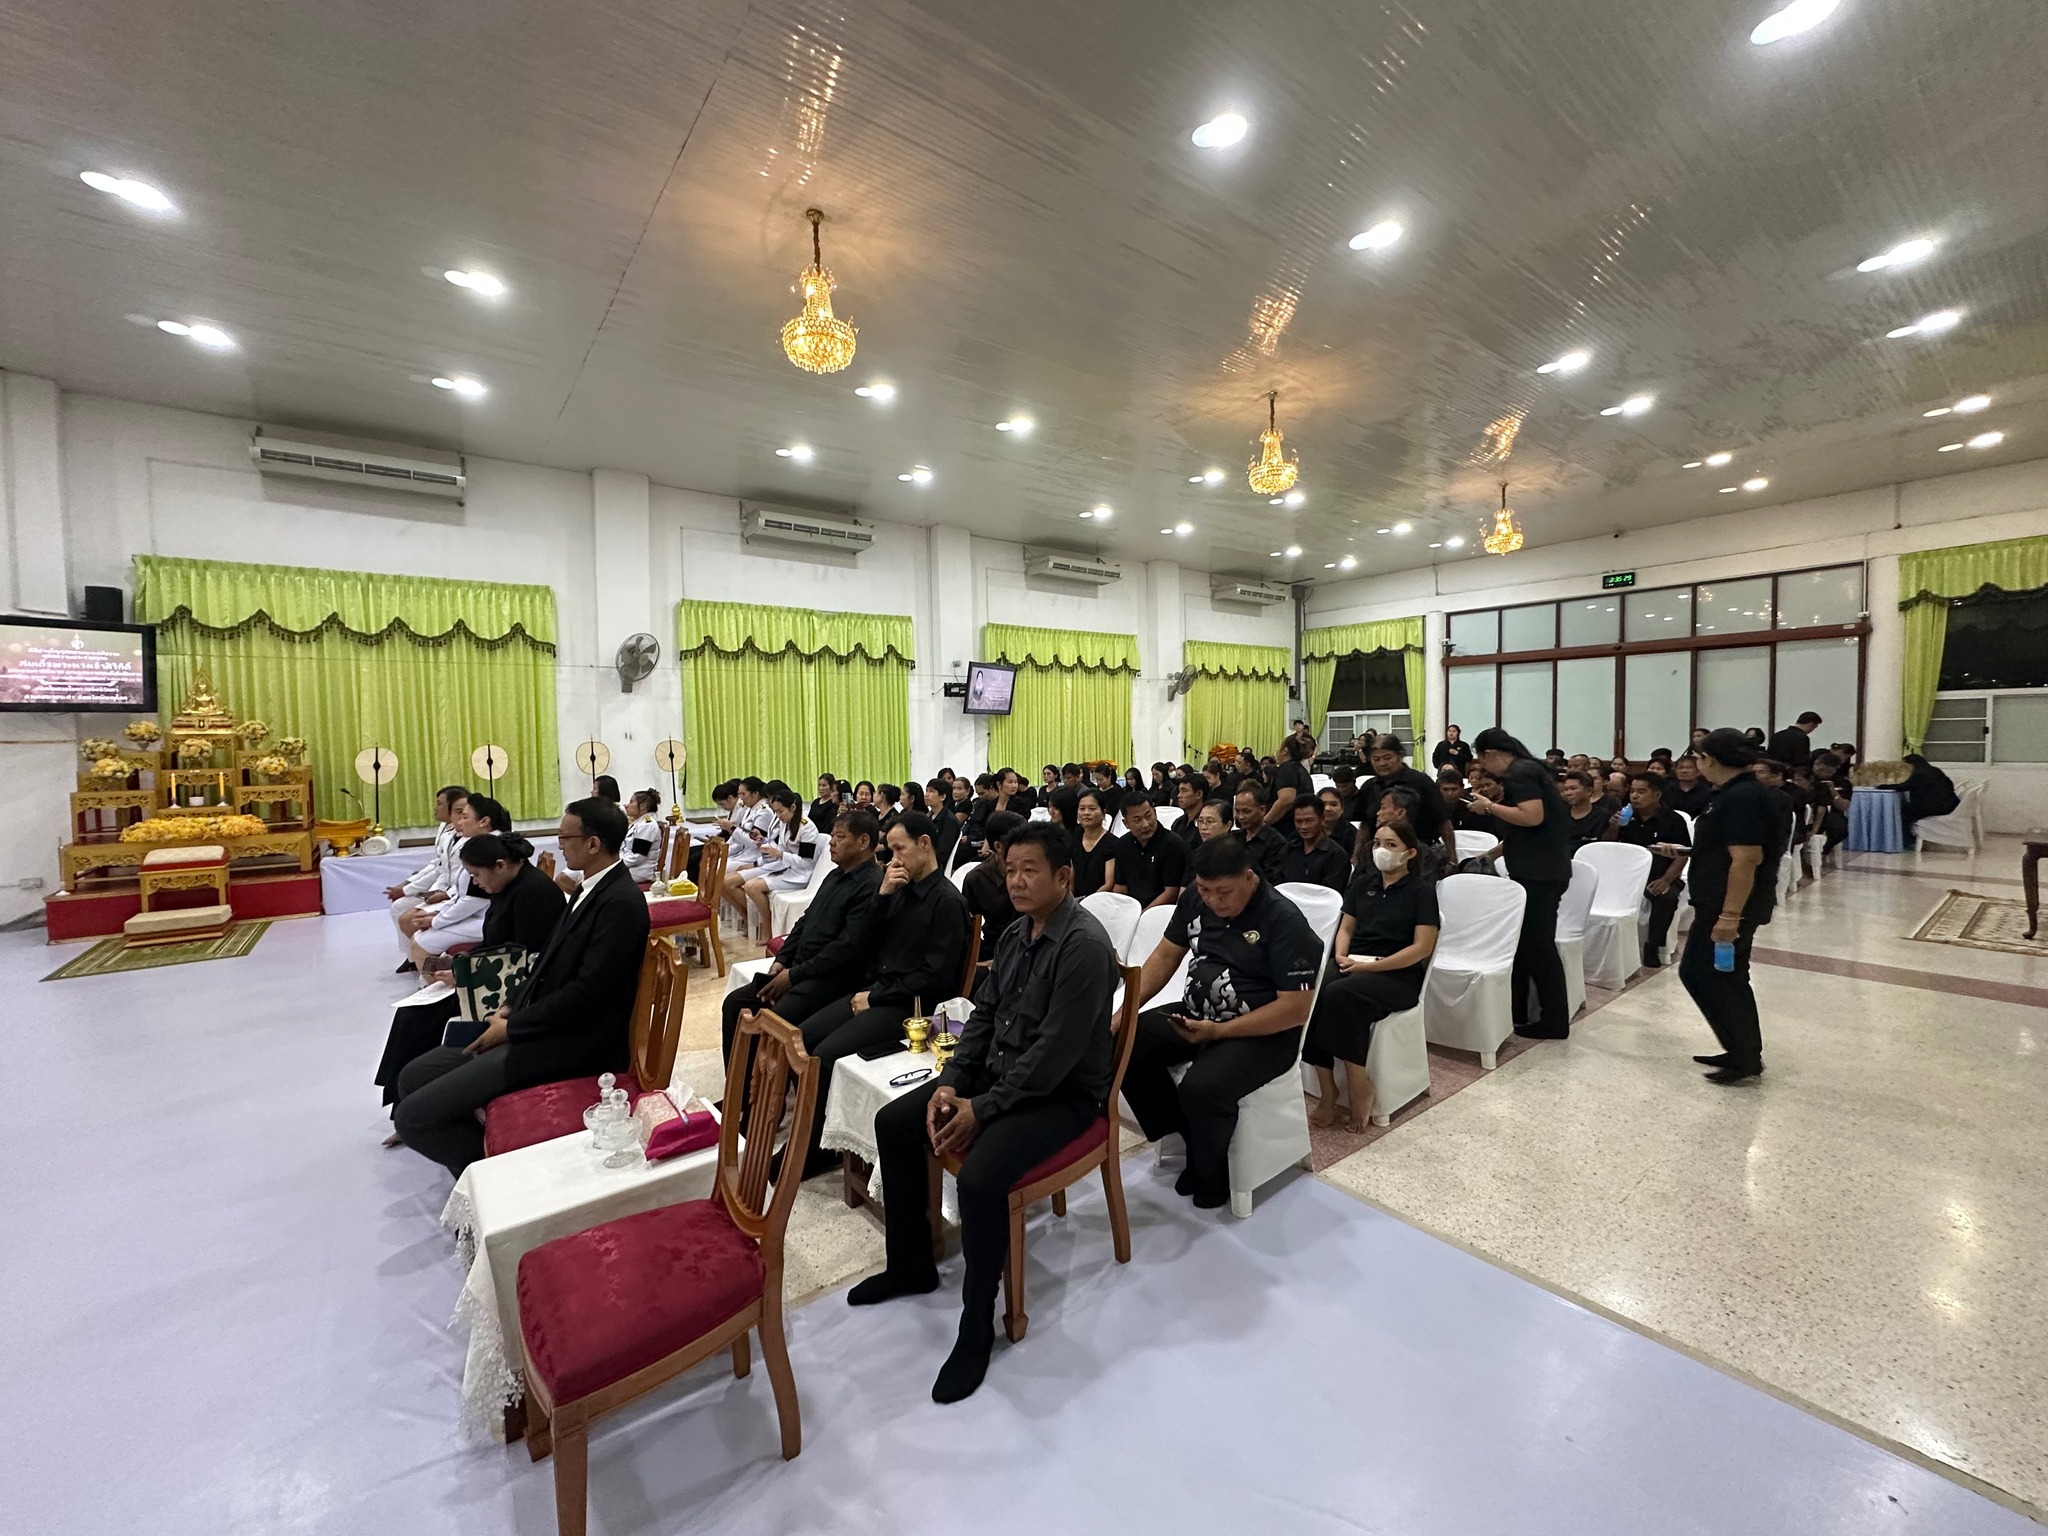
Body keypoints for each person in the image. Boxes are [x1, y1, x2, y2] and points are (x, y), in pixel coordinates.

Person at [847, 821, 1118, 1404]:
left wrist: (983, 1108)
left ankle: (977, 1328)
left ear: (1063, 877)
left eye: (1029, 871)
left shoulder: (1085, 948)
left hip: (1063, 1097)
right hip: (1002, 1076)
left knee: (980, 1178)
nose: (1015, 882)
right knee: (896, 1122)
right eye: (1009, 870)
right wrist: (950, 1084)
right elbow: (983, 1017)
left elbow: (1054, 1056)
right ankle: (911, 1265)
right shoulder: (1018, 932)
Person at [391, 798, 650, 1176]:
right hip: (538, 1024)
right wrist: (510, 1007)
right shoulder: (588, 889)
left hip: (571, 1042)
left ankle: (491, 1179)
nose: (560, 846)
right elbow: (545, 963)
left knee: (414, 1118)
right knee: (412, 1076)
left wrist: (512, 1028)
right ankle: (484, 1155)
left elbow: (589, 993)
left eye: (565, 838)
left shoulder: (620, 903)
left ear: (593, 844)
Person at [1121, 835, 1324, 1209]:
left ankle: (1211, 1171)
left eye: (1223, 892)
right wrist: (1124, 1013)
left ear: (1249, 876)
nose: (1213, 900)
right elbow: (1165, 956)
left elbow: (1295, 1009)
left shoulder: (1284, 920)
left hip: (1263, 1031)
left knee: (1202, 1088)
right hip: (1199, 1013)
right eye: (1205, 889)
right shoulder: (1195, 900)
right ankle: (1187, 1133)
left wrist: (1220, 1032)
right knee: (1124, 1043)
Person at [785, 812, 973, 1177]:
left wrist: (875, 997)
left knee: (824, 1055)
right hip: (879, 990)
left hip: (911, 1005)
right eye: (891, 851)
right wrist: (883, 896)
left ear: (924, 844)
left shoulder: (946, 901)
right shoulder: (898, 888)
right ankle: (808, 1131)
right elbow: (863, 943)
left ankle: (817, 1150)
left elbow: (935, 979)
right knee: (803, 1037)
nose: (893, 859)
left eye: (900, 849)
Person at [374, 829, 564, 1124]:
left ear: (500, 865)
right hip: (491, 972)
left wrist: (466, 973)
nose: (475, 882)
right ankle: (403, 1102)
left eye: (476, 875)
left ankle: (417, 1104)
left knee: (421, 1017)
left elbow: (525, 957)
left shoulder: (534, 893)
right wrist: (462, 961)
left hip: (514, 987)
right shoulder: (505, 886)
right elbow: (495, 941)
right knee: (411, 1011)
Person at [720, 809, 883, 1064]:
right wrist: (781, 960)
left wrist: (794, 975)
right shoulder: (835, 875)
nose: (831, 842)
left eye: (840, 837)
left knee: (774, 1021)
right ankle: (739, 1084)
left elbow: (846, 948)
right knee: (735, 1003)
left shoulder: (871, 885)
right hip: (800, 968)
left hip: (830, 978)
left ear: (863, 842)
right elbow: (806, 920)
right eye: (832, 835)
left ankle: (768, 1084)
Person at [1304, 822, 1439, 1130]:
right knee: (1314, 989)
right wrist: (1341, 955)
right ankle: (1327, 1089)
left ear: (1409, 853)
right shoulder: (1363, 883)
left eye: (1391, 845)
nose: (1381, 850)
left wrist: (1371, 967)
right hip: (1355, 964)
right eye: (1377, 843)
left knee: (1340, 994)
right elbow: (1346, 928)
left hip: (1397, 974)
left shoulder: (1421, 892)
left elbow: (1422, 948)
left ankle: (1358, 1083)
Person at [1679, 730, 1781, 1084]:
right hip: (1716, 900)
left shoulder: (1743, 797)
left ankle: (1744, 1056)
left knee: (1715, 976)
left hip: (1729, 905)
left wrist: (1730, 916)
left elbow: (1747, 858)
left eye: (1698, 757)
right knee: (1714, 976)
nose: (1696, 763)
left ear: (1710, 759)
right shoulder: (1729, 793)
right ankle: (1739, 1050)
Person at [1465, 728, 1574, 1038]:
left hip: (1539, 873)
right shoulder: (1530, 769)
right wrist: (1493, 853)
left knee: (1539, 947)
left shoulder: (1519, 772)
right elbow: (1528, 828)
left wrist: (1488, 806)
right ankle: (1521, 1011)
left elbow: (1531, 817)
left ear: (1488, 754)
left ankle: (1554, 1020)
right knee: (1527, 945)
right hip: (1541, 869)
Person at [397, 794, 512, 969]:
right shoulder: (478, 844)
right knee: (418, 934)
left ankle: (439, 984)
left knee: (421, 942)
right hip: (477, 912)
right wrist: (438, 914)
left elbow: (474, 900)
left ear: (484, 822)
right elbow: (462, 890)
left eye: (464, 817)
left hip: (489, 918)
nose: (459, 822)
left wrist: (436, 920)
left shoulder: (489, 849)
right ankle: (435, 980)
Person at [1609, 771, 1690, 968]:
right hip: (1625, 875)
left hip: (1658, 874)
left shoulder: (1673, 820)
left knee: (1666, 897)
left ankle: (1652, 946)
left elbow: (1683, 854)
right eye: (1632, 791)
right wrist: (1614, 827)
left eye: (1641, 791)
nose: (1635, 796)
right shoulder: (1625, 816)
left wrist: (1666, 879)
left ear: (1657, 794)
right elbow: (1608, 845)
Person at [384, 784, 470, 970]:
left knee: (409, 917)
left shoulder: (473, 840)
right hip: (445, 889)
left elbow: (468, 880)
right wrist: (407, 886)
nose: (435, 808)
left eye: (439, 804)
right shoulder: (446, 830)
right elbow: (438, 866)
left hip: (455, 895)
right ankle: (414, 958)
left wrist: (444, 895)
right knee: (401, 909)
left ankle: (426, 961)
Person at [1356, 734, 1456, 866]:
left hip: (1421, 854)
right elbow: (1365, 826)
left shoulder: (1421, 781)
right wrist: (1356, 856)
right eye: (1376, 759)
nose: (1382, 763)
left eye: (1387, 758)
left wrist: (1452, 859)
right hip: (1379, 854)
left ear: (1400, 755)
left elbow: (1443, 821)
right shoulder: (1368, 787)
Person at [960, 809, 1027, 960]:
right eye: (1019, 841)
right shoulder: (977, 879)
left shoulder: (1036, 870)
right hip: (995, 948)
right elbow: (968, 929)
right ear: (998, 846)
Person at [1114, 792, 1187, 909]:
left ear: (1155, 813)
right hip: (1131, 910)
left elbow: (1171, 892)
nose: (1145, 824)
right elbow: (1121, 886)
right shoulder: (1122, 845)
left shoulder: (1173, 844)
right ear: (1126, 823)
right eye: (1137, 820)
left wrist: (1143, 914)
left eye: (1148, 816)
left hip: (1160, 911)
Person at [1274, 796, 1351, 891]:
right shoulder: (1288, 850)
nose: (1303, 826)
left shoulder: (1336, 855)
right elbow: (1276, 882)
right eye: (1298, 821)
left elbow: (1330, 892)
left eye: (1309, 821)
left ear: (1322, 819)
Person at [1069, 786, 1121, 897]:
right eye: (1082, 809)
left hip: (1100, 900)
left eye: (1092, 809)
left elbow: (1108, 884)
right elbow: (1071, 878)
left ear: (1103, 813)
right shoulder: (1075, 838)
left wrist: (1088, 902)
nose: (1086, 813)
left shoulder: (1112, 843)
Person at [1232, 783, 1288, 880]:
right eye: (1237, 811)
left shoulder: (1276, 843)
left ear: (1262, 810)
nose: (1241, 817)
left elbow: (1273, 880)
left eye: (1246, 811)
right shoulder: (1234, 838)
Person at [1261, 734, 1316, 831]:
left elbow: (1286, 800)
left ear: (1284, 751)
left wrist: (1263, 823)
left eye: (1279, 747)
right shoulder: (1299, 769)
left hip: (1286, 829)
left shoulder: (1287, 769)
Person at [1900, 753, 1959, 833]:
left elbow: (1902, 787)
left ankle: (1905, 836)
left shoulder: (1918, 774)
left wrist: (1884, 786)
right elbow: (1949, 784)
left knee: (1904, 811)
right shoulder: (1935, 770)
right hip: (1950, 805)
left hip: (1934, 808)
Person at [620, 789, 664, 884]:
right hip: (632, 867)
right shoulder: (639, 822)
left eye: (631, 802)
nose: (626, 805)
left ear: (642, 806)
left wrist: (616, 865)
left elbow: (638, 857)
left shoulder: (647, 825)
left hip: (640, 871)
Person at [1558, 770, 1612, 848]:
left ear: (1589, 791)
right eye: (1565, 789)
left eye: (1573, 788)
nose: (1568, 793)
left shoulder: (1603, 816)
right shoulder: (1558, 813)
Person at [1318, 786, 1359, 863]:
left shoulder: (1352, 834)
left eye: (1333, 804)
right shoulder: (1307, 830)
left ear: (1342, 808)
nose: (1327, 809)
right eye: (1323, 804)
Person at [1663, 753, 1712, 818]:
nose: (1684, 771)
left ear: (1699, 771)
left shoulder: (1708, 793)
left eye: (1689, 767)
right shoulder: (1666, 790)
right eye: (1680, 767)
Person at [1170, 776, 1207, 852]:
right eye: (1179, 791)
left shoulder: (1207, 825)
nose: (1179, 795)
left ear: (1198, 794)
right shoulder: (1178, 823)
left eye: (1184, 791)